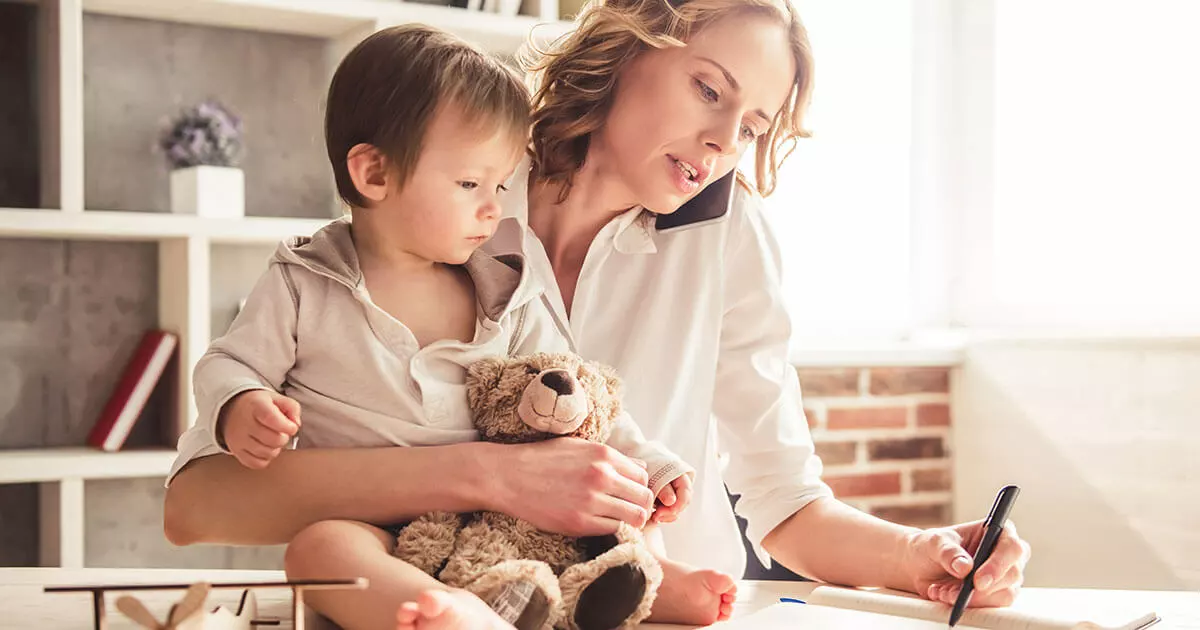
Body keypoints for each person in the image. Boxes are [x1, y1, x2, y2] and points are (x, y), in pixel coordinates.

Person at [165, 0, 1031, 626]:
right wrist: (489, 475)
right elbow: (200, 505)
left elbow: (783, 500)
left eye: (755, 124)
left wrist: (919, 558)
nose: (728, 140)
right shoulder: (453, 187)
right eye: (709, 90)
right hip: (446, 600)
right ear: (630, 39)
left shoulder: (731, 238)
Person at [175, 24, 700, 630]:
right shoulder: (303, 282)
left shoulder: (507, 283)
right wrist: (241, 403)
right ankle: (448, 611)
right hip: (374, 527)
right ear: (374, 175)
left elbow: (579, 394)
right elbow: (228, 363)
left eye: (500, 185)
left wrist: (652, 465)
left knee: (608, 495)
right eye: (469, 184)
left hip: (498, 526)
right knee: (317, 554)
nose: (494, 207)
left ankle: (649, 582)